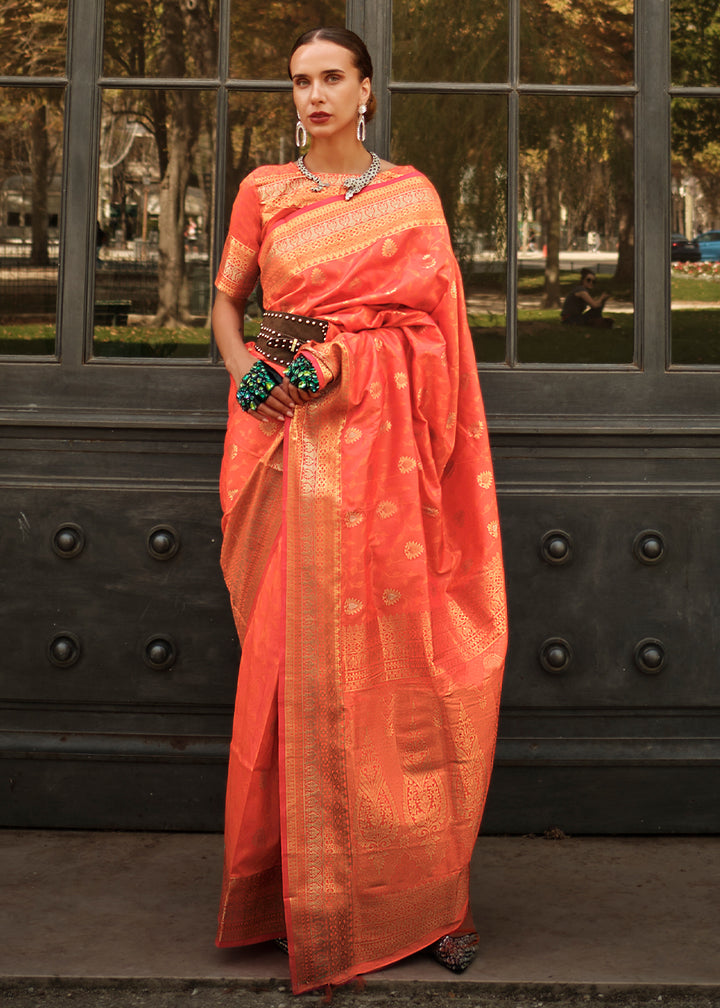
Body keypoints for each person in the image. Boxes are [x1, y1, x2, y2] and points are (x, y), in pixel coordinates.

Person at [211, 25, 508, 995]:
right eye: (300, 81)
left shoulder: (409, 197)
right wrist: (253, 369)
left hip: (394, 480)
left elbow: (433, 331)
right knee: (294, 682)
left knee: (406, 681)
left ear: (367, 90)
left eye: (331, 77)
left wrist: (353, 356)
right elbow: (239, 308)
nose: (314, 95)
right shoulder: (266, 192)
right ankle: (304, 901)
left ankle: (428, 901)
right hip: (297, 465)